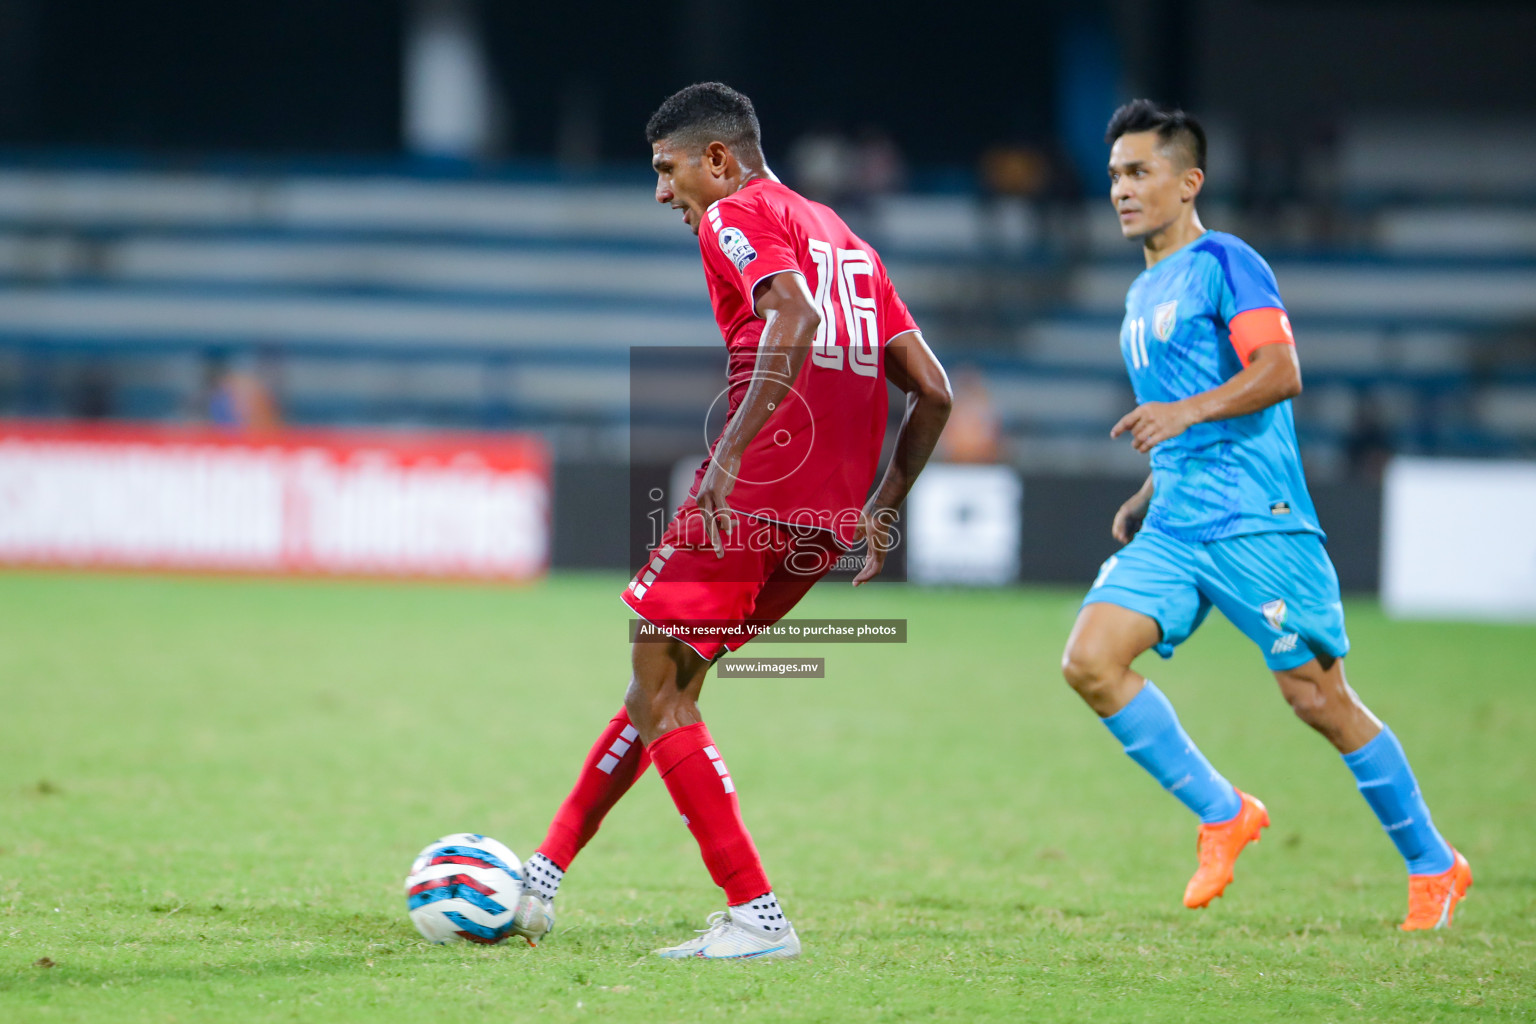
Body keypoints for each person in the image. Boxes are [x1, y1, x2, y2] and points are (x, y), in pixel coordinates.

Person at [509, 82, 951, 960]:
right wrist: (880, 509)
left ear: (717, 158)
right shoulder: (845, 238)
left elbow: (792, 315)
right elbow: (932, 391)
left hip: (758, 492)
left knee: (659, 676)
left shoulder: (737, 214)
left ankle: (757, 914)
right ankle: (541, 876)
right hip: (822, 516)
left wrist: (738, 454)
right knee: (663, 683)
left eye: (668, 170)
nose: (664, 193)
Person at [1060, 100, 1470, 931]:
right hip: (1178, 521)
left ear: (1189, 181)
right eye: (1113, 176)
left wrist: (1184, 416)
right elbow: (1176, 414)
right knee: (1092, 661)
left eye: (1139, 173)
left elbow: (1279, 372)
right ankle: (1223, 813)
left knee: (1318, 701)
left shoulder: (1226, 261)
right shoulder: (1142, 292)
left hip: (1257, 518)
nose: (1122, 190)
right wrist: (1147, 490)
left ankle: (1435, 863)